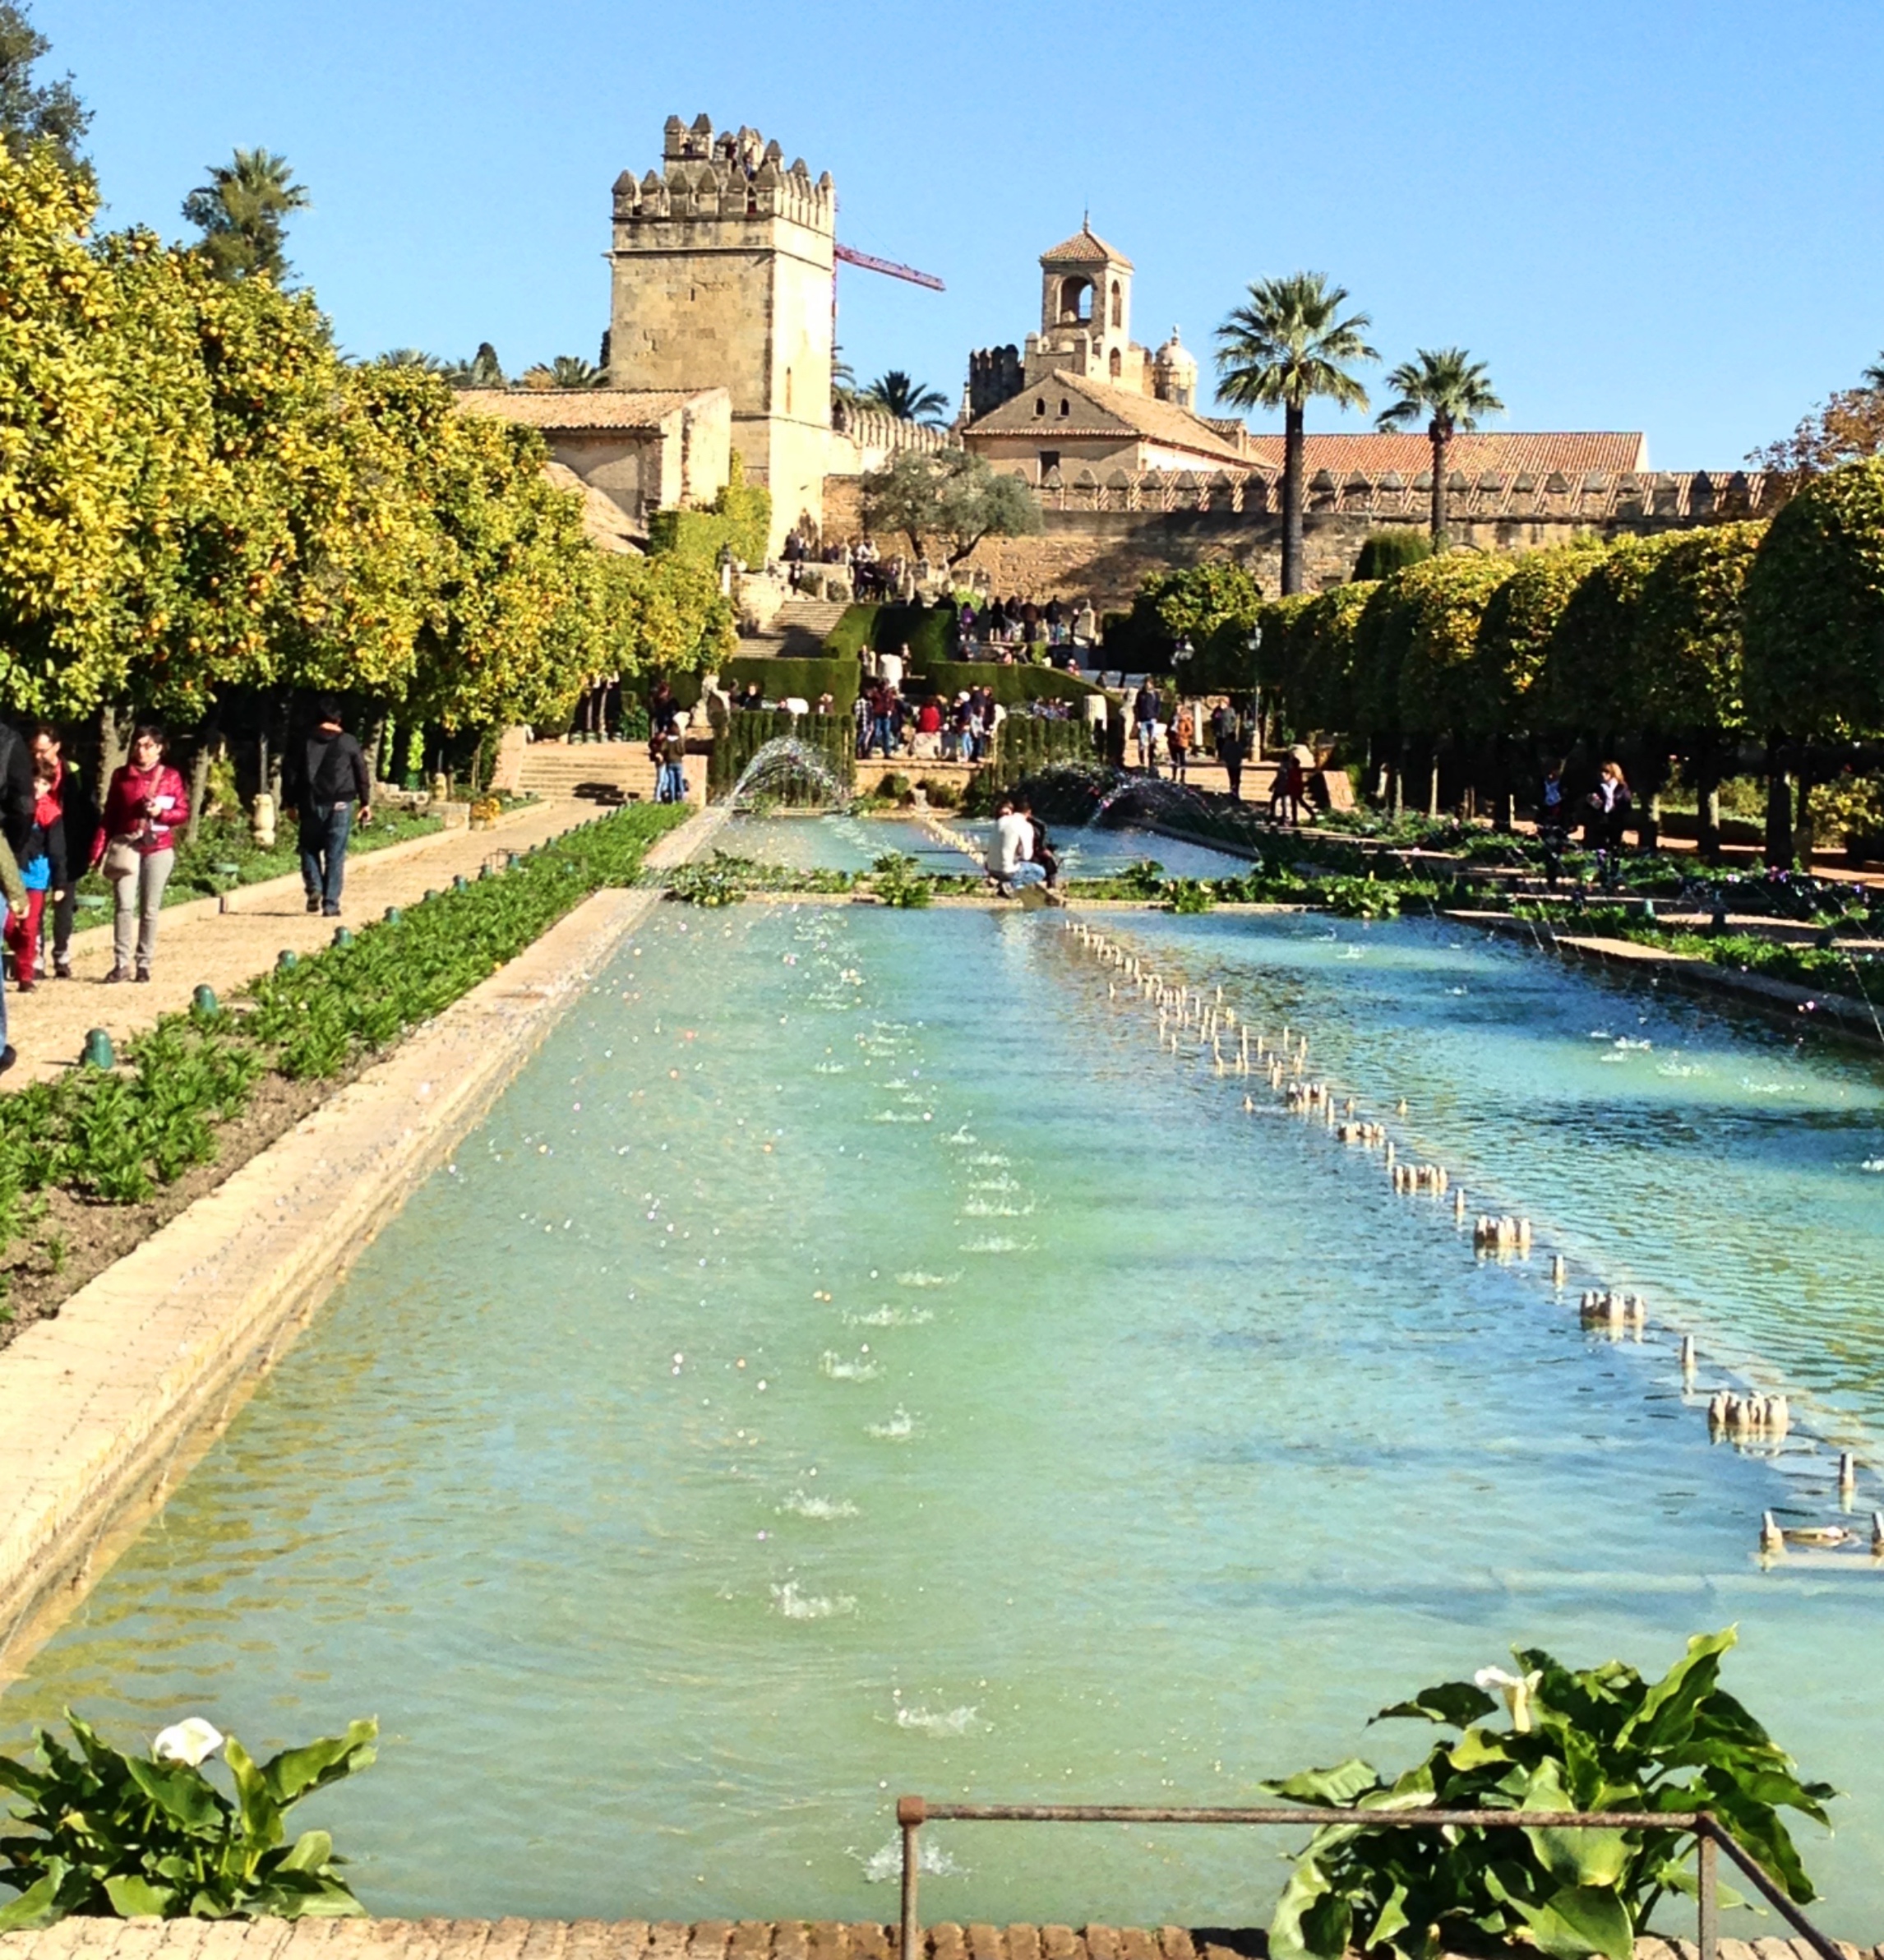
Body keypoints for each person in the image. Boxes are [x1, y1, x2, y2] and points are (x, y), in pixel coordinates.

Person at [94, 724, 190, 983]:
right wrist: (98, 850)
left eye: (148, 745)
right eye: (138, 744)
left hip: (158, 846)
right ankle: (121, 962)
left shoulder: (170, 776)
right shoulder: (121, 776)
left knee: (150, 909)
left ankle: (144, 963)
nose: (141, 750)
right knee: (124, 906)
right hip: (127, 845)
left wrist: (163, 813)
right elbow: (110, 815)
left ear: (159, 749)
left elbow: (183, 812)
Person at [289, 697, 373, 918]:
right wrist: (365, 802)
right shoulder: (348, 742)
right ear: (338, 718)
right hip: (341, 804)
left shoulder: (304, 740)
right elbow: (361, 773)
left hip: (310, 803)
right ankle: (330, 904)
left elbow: (292, 774)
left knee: (308, 847)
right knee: (335, 854)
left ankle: (314, 886)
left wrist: (289, 802)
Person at [31, 726, 95, 978]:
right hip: (35, 849)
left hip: (68, 848)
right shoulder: (27, 774)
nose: (37, 756)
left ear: (57, 747)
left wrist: (90, 847)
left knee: (64, 906)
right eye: (34, 751)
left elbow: (90, 813)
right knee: (35, 905)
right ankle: (36, 958)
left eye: (42, 751)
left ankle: (61, 955)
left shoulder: (75, 774)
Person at [6, 756, 63, 992]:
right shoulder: (12, 807)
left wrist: (60, 883)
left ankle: (25, 976)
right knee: (7, 924)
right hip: (10, 874)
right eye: (35, 781)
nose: (38, 788)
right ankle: (24, 952)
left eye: (44, 783)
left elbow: (57, 850)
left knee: (29, 927)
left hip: (36, 877)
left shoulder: (51, 813)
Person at [1588, 760, 1632, 888]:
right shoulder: (1596, 788)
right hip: (1600, 822)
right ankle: (1602, 876)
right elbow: (1589, 805)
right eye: (1601, 771)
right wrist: (1594, 803)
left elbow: (1627, 806)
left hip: (1616, 823)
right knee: (1600, 849)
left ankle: (1614, 876)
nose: (1603, 774)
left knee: (1614, 849)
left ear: (1613, 773)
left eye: (1606, 772)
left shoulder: (1622, 788)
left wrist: (1617, 812)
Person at [990, 796, 1029, 898]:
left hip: (997, 868)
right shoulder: (1001, 827)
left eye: (1007, 814)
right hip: (1006, 869)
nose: (1005, 818)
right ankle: (1014, 887)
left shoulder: (998, 826)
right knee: (1038, 871)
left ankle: (1007, 885)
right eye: (1002, 815)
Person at [1539, 761, 1570, 890]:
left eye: (1553, 774)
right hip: (1546, 823)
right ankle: (1551, 879)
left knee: (1558, 850)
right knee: (1549, 851)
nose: (1551, 776)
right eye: (1549, 774)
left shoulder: (1563, 789)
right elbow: (1539, 805)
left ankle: (1557, 876)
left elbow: (1568, 806)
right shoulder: (1543, 787)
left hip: (1561, 823)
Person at [1211, 700, 1245, 802]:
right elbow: (1214, 719)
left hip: (1227, 731)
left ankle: (1234, 791)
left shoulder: (1230, 711)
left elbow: (1234, 720)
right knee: (1235, 778)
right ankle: (1234, 792)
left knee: (1234, 778)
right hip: (1220, 732)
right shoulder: (1217, 711)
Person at [656, 716, 688, 803]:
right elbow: (682, 751)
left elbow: (663, 749)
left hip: (670, 763)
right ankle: (681, 798)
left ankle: (672, 799)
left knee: (671, 782)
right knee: (680, 781)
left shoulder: (667, 740)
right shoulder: (679, 740)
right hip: (678, 762)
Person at [1133, 681, 1161, 772]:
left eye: (1149, 684)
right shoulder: (1140, 694)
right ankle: (1142, 761)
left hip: (1152, 719)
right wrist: (1137, 720)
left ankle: (1151, 762)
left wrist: (1156, 716)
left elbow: (1158, 706)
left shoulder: (1155, 694)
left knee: (1152, 741)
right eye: (1146, 684)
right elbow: (1136, 707)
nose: (1147, 685)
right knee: (1142, 742)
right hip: (1143, 720)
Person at [1169, 703, 1194, 784]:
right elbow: (1168, 728)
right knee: (1174, 760)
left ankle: (1183, 777)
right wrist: (1169, 735)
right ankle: (1174, 776)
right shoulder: (1172, 719)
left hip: (1181, 741)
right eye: (1176, 708)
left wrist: (1183, 735)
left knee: (1182, 760)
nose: (1177, 710)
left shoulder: (1185, 719)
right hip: (1173, 741)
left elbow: (1190, 730)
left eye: (1179, 709)